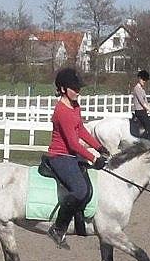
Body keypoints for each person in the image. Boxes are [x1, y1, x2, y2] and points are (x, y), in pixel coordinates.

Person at [46, 68, 110, 249]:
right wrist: (93, 158)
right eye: (75, 88)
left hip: (71, 156)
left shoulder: (75, 106)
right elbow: (73, 144)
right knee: (80, 190)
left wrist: (99, 147)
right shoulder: (62, 111)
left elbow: (81, 129)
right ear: (63, 89)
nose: (78, 91)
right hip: (60, 157)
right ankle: (58, 228)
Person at [132, 69, 150, 139]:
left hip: (144, 111)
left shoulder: (142, 89)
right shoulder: (137, 89)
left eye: (145, 80)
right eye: (143, 79)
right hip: (139, 111)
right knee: (149, 128)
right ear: (139, 78)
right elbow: (142, 101)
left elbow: (146, 101)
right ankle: (145, 143)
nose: (144, 81)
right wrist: (149, 109)